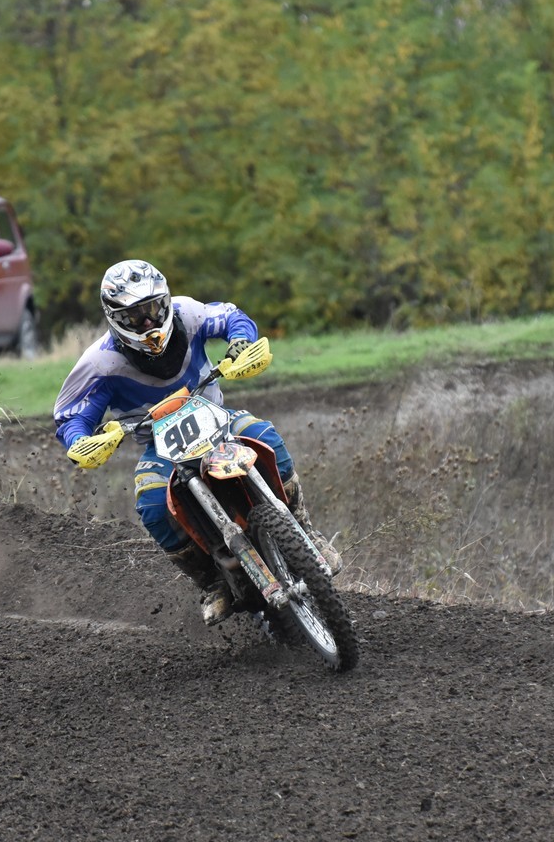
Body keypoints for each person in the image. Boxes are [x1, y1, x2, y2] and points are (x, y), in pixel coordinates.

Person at [53, 258, 341, 624]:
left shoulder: (188, 314)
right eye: (134, 316)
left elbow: (232, 316)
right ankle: (210, 581)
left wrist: (240, 342)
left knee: (265, 437)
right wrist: (82, 440)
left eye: (153, 309)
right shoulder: (100, 363)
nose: (148, 322)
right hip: (162, 448)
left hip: (217, 419)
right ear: (114, 318)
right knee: (152, 503)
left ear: (166, 300)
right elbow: (72, 416)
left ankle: (306, 533)